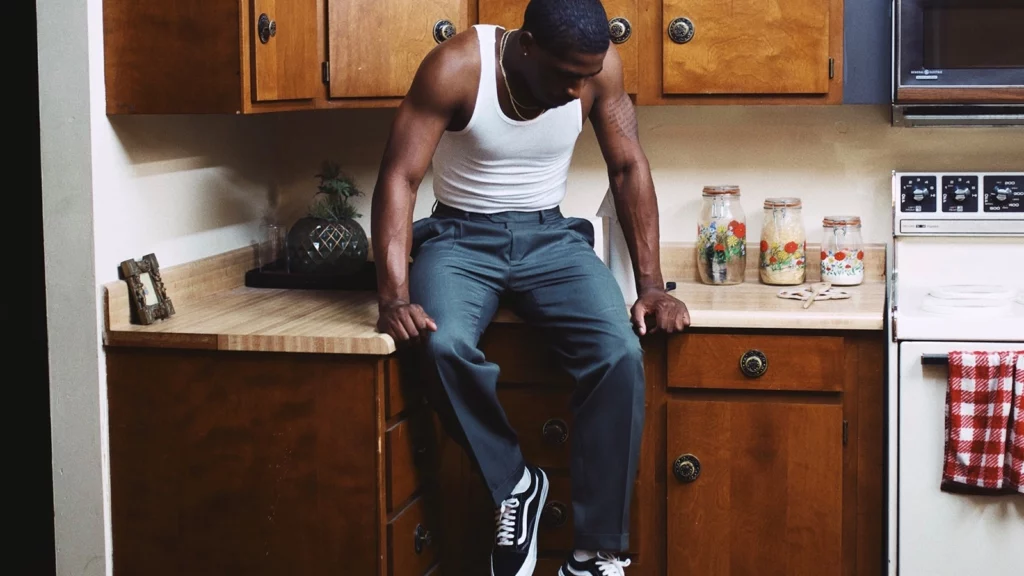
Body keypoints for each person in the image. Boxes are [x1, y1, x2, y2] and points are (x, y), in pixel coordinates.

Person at [371, 1, 690, 574]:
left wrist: (651, 285)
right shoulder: (456, 68)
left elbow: (627, 167)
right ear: (526, 47)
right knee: (439, 344)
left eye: (585, 77)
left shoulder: (597, 69)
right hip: (459, 238)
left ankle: (594, 554)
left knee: (619, 353)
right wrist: (394, 295)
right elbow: (400, 175)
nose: (575, 91)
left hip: (551, 238)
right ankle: (515, 482)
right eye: (565, 76)